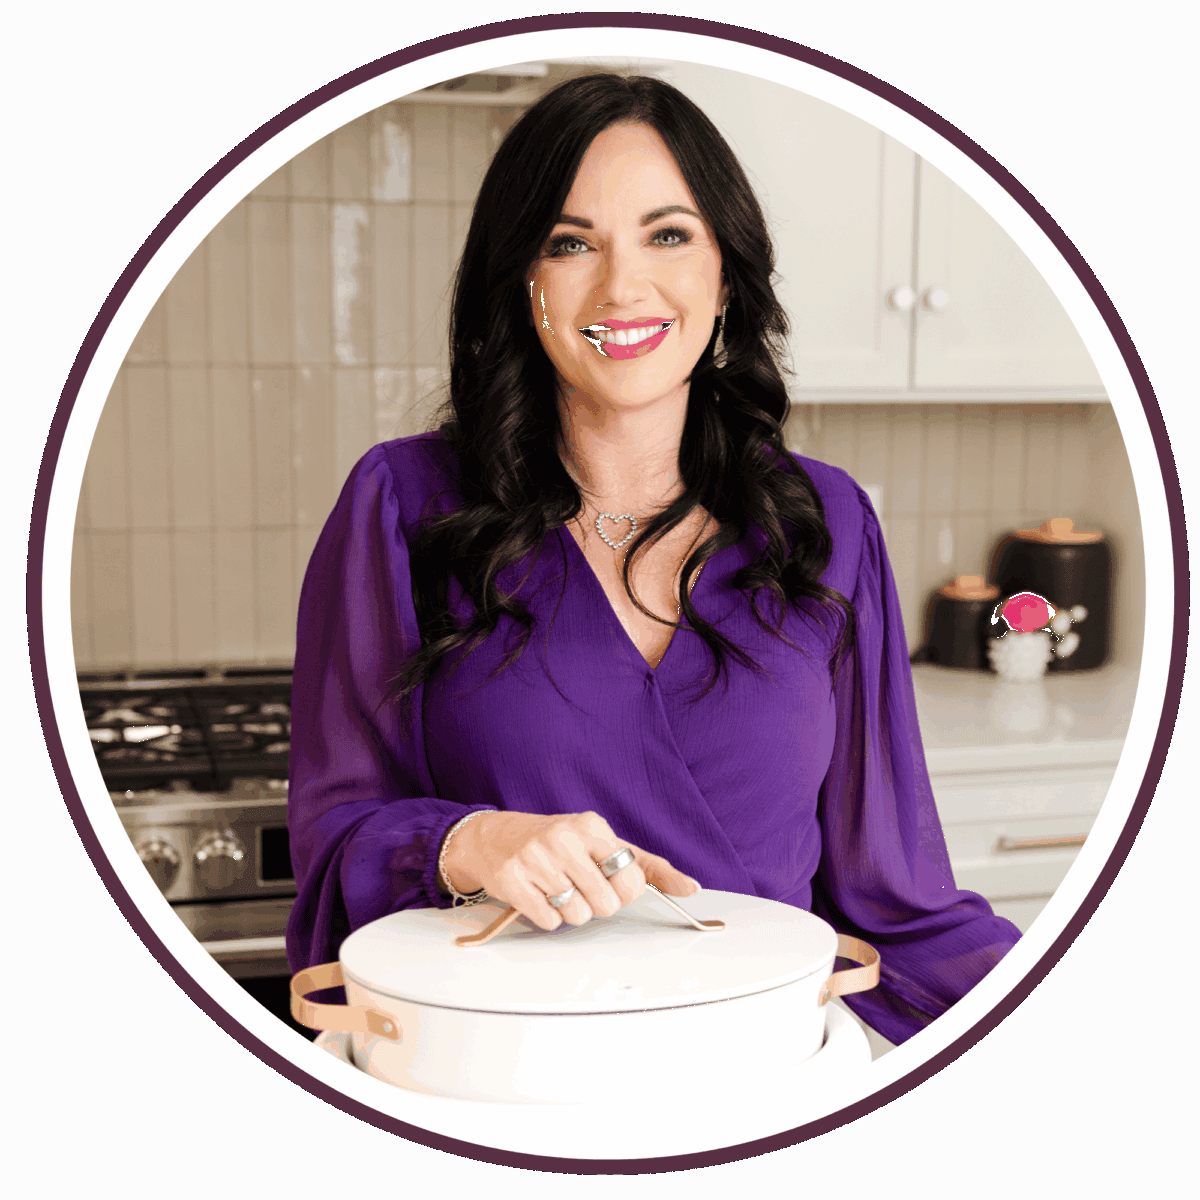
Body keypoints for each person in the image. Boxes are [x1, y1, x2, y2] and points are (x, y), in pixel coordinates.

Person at [285, 73, 1021, 1046]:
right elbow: (335, 835)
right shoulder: (403, 503)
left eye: (667, 235)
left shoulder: (826, 520)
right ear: (521, 283)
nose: (621, 285)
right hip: (499, 1077)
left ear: (726, 272)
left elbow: (893, 891)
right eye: (569, 242)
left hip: (766, 1070)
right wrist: (468, 841)